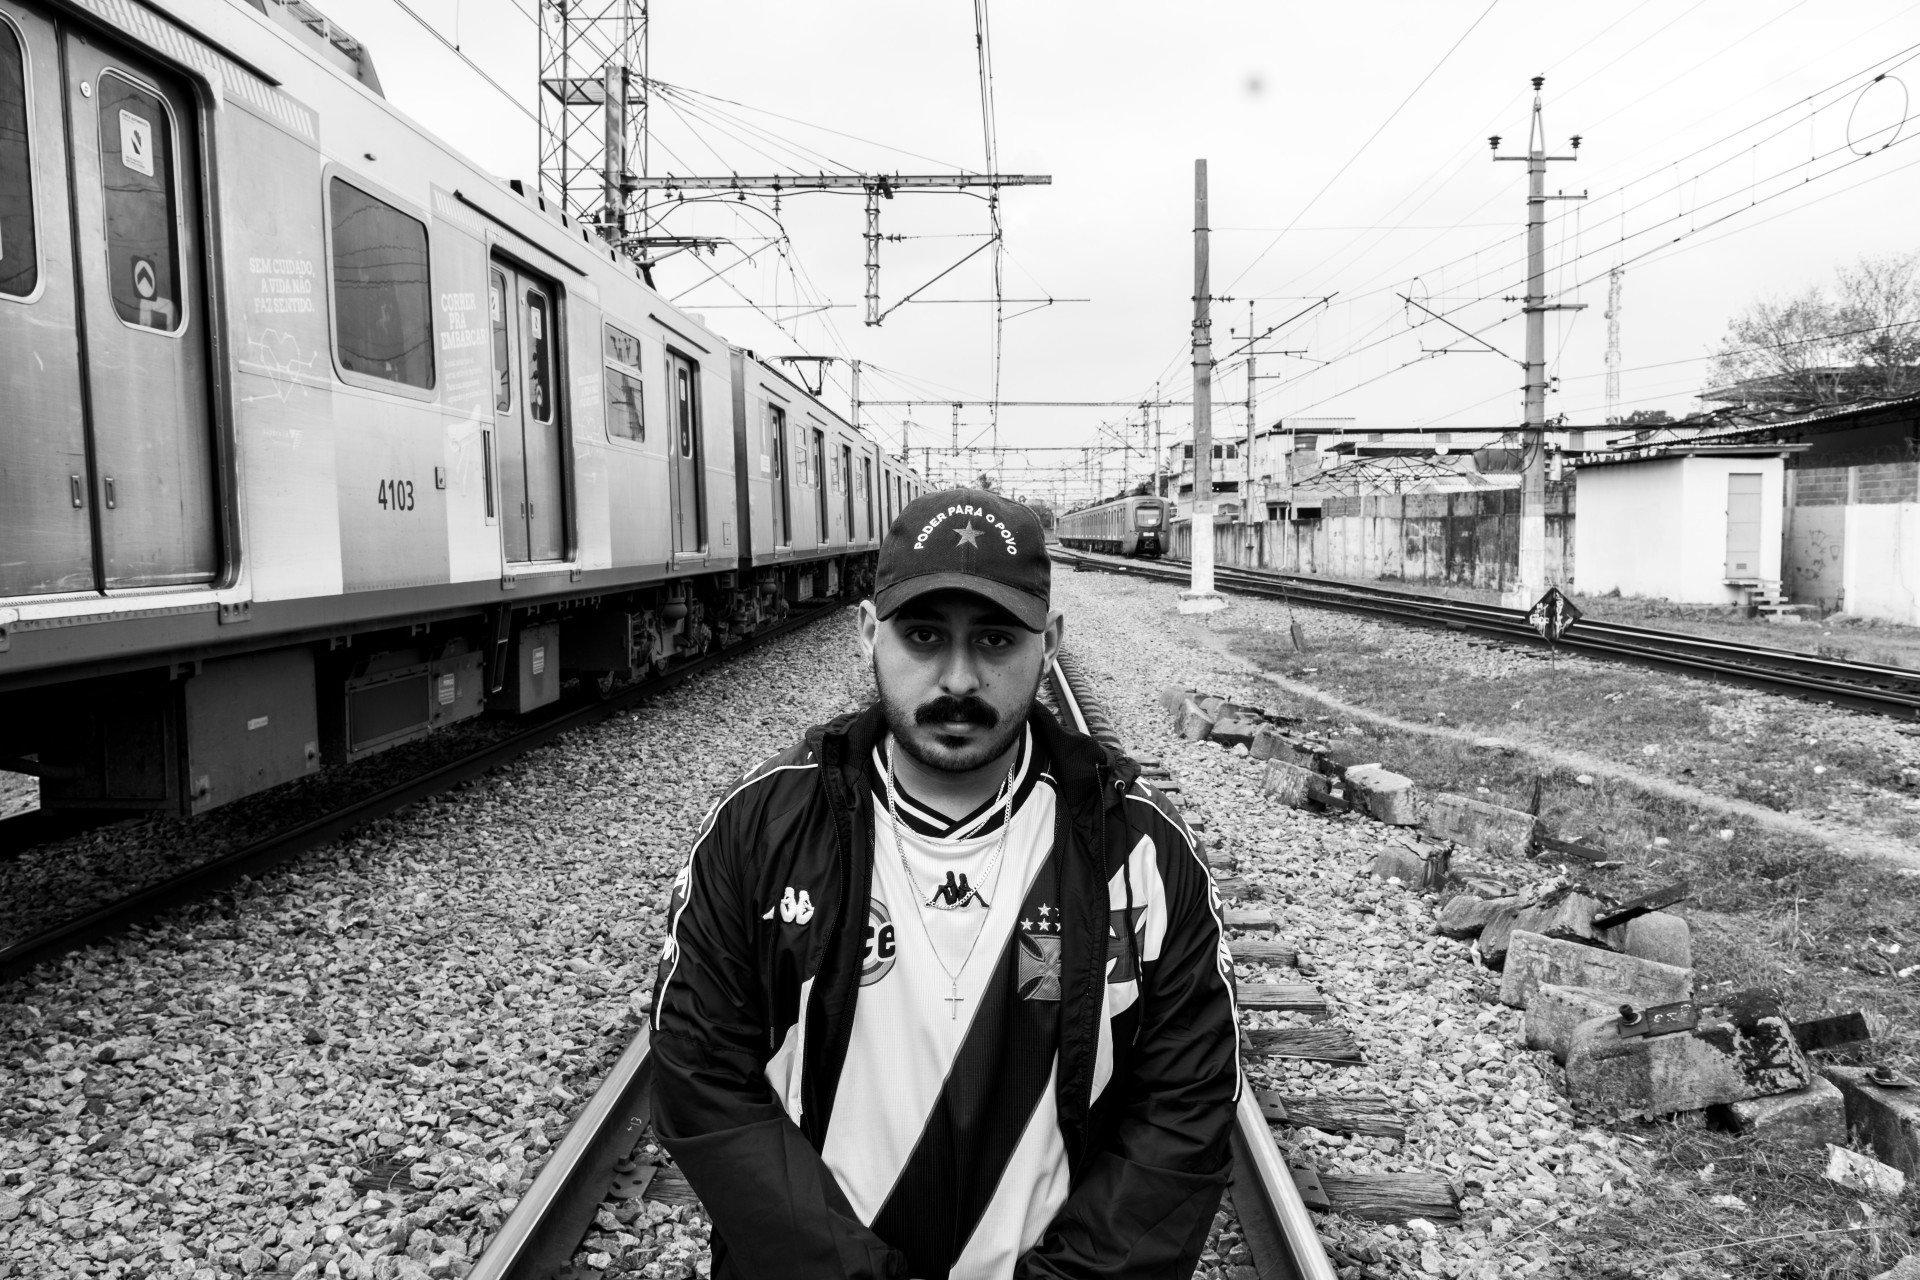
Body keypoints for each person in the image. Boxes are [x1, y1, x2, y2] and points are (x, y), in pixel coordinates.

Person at [650, 488, 1239, 1280]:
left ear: (1050, 644)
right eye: (924, 635)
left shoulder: (1142, 849)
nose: (959, 678)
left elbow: (1186, 1110)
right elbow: (701, 1081)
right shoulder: (758, 830)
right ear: (869, 633)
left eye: (995, 639)